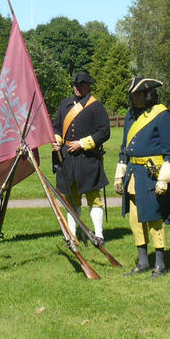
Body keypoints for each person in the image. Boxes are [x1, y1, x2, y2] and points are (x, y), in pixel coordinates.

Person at [113, 77, 170, 278]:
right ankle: (143, 261)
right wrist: (120, 174)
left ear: (148, 94)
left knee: (154, 219)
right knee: (135, 220)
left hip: (152, 175)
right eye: (133, 95)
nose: (134, 98)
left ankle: (160, 264)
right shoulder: (131, 115)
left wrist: (164, 179)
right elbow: (125, 149)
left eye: (138, 94)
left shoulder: (162, 115)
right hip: (134, 174)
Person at [52, 70, 111, 244]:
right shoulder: (65, 104)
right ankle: (72, 235)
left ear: (88, 86)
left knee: (93, 198)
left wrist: (83, 143)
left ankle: (99, 234)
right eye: (75, 85)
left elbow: (104, 132)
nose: (77, 88)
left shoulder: (96, 106)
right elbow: (56, 127)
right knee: (71, 198)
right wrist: (57, 140)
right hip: (67, 159)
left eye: (81, 85)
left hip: (87, 158)